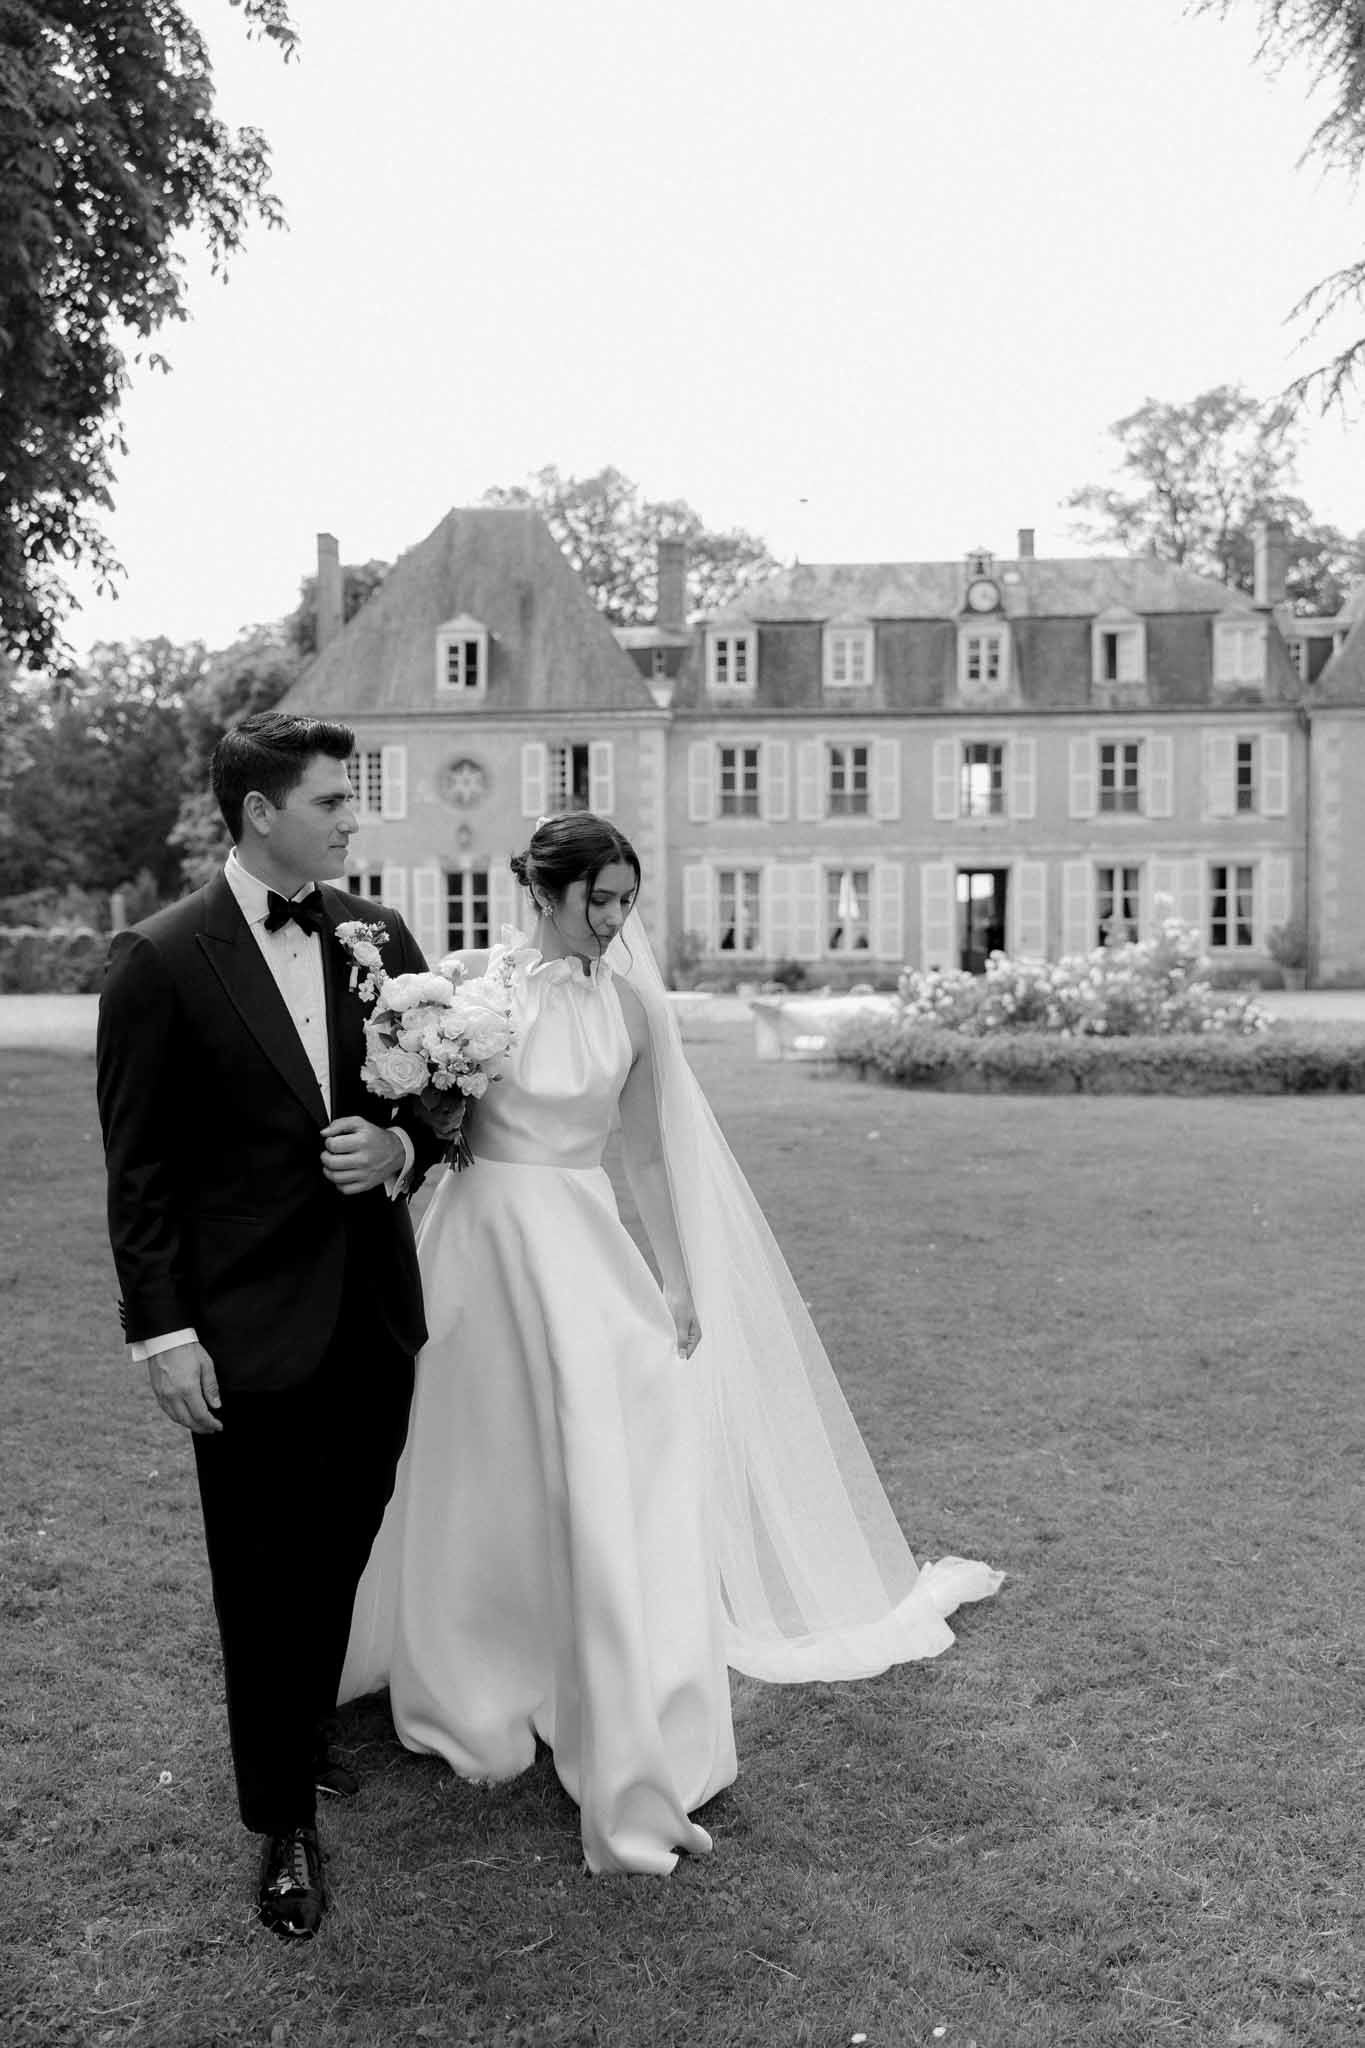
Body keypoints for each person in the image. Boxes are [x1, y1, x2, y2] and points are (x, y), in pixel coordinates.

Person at [341, 812, 1001, 1876]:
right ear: (544, 895)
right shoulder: (470, 991)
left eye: (625, 900)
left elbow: (645, 1153)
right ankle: (469, 1673)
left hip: (582, 1250)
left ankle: (601, 1674)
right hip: (476, 1249)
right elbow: (426, 1130)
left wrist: (680, 1278)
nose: (613, 920)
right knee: (470, 1462)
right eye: (596, 899)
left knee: (605, 1468)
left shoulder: (637, 1007)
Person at [95, 712, 444, 1939]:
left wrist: (399, 1142)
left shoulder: (377, 934)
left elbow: (441, 1088)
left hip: (373, 1309)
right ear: (259, 814)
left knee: (343, 1537)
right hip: (241, 1328)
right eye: (334, 801)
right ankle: (281, 1819)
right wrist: (163, 1333)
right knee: (259, 1572)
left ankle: (300, 1724)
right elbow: (137, 1175)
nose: (353, 819)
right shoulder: (159, 958)